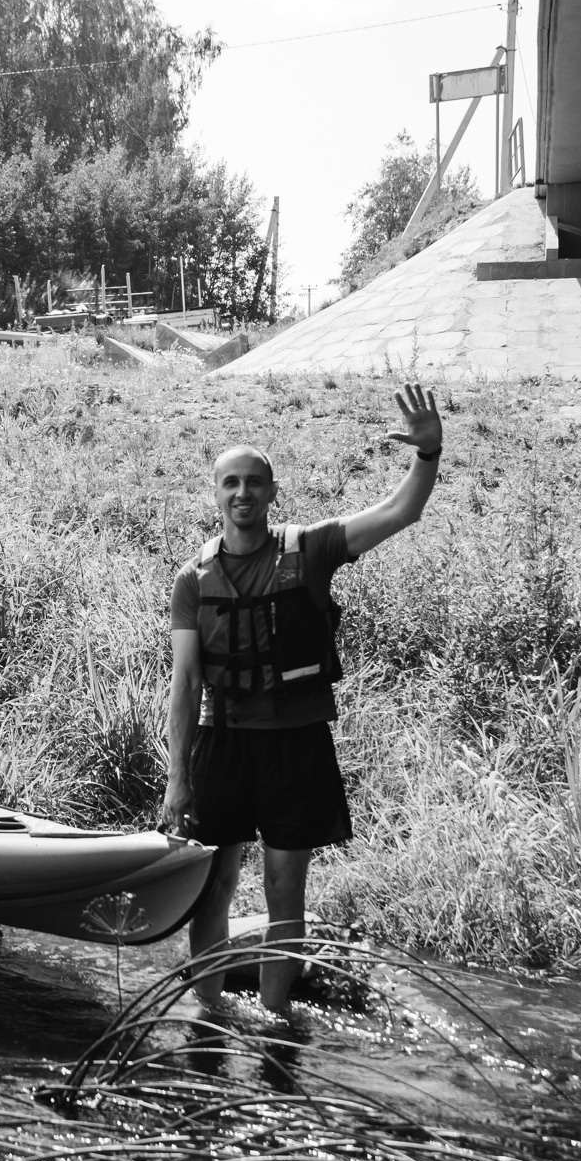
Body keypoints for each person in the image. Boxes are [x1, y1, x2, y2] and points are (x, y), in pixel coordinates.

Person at [162, 383, 445, 1018]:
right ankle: (208, 1014)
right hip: (223, 743)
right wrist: (177, 779)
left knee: (285, 888)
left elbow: (400, 512)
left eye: (254, 482)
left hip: (295, 743)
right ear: (216, 495)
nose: (243, 493)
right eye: (230, 483)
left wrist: (426, 455)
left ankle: (273, 1021)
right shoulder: (191, 581)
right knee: (214, 890)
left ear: (271, 492)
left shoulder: (311, 550)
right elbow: (184, 684)